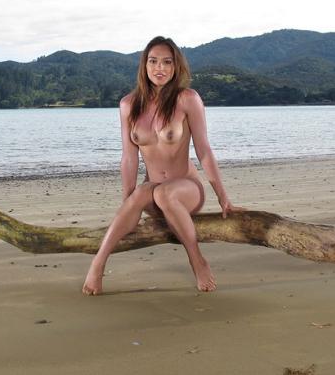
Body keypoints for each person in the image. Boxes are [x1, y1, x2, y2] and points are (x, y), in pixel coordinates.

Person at [82, 36, 240, 295]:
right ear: (144, 66)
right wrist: (128, 202)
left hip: (186, 191)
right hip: (153, 195)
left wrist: (223, 196)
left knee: (163, 192)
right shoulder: (128, 105)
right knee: (148, 192)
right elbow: (129, 158)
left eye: (167, 62)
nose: (160, 68)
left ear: (176, 67)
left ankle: (197, 260)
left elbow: (204, 151)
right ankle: (97, 264)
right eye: (153, 61)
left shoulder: (188, 99)